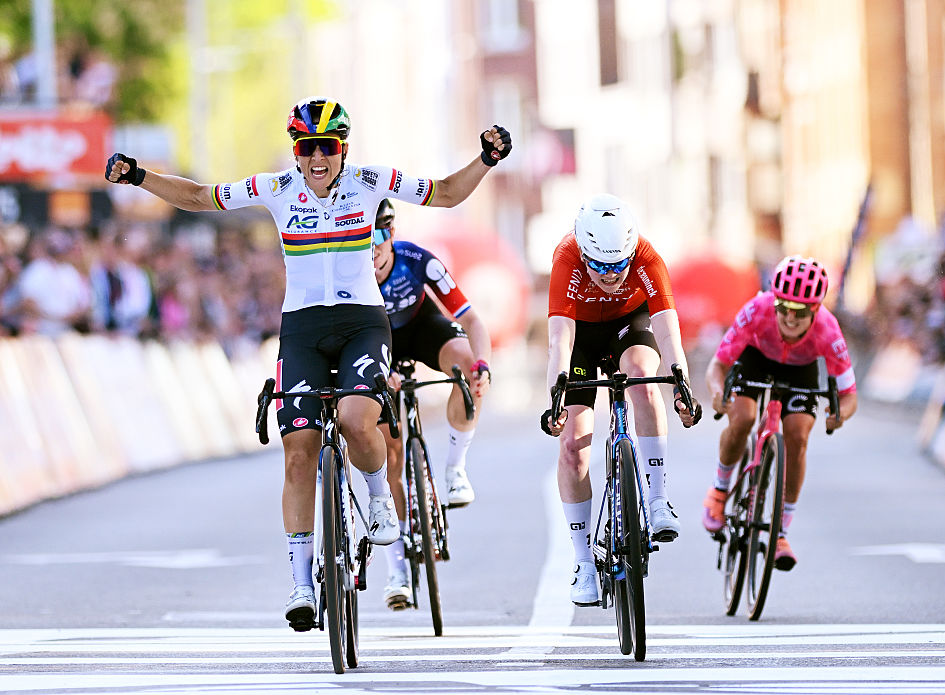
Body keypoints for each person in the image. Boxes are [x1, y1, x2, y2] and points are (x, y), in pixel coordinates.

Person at [104, 96, 512, 629]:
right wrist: (139, 177)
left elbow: (446, 193)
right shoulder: (276, 189)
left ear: (342, 149)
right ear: (297, 152)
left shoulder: (370, 181)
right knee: (298, 451)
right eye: (307, 147)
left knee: (355, 420)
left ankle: (379, 500)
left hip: (364, 323)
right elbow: (201, 197)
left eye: (328, 147)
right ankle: (301, 583)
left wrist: (486, 158)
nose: (318, 157)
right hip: (301, 330)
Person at [540, 193, 701, 606]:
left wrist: (680, 381)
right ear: (583, 250)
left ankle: (657, 499)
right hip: (580, 337)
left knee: (646, 379)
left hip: (628, 327)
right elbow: (560, 338)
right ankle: (582, 562)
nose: (610, 275)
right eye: (599, 266)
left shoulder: (647, 257)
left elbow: (667, 330)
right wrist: (555, 396)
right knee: (574, 444)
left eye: (618, 265)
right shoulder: (566, 257)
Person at [370, 198, 492, 609]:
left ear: (390, 237)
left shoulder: (417, 261)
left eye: (377, 244)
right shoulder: (348, 271)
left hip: (422, 327)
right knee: (388, 450)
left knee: (463, 366)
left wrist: (482, 365)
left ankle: (456, 470)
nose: (370, 256)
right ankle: (397, 568)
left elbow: (472, 320)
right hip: (376, 340)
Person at [702, 255, 858, 571]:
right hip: (756, 357)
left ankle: (781, 532)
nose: (789, 317)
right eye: (783, 306)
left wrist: (839, 415)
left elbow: (849, 395)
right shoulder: (757, 310)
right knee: (743, 417)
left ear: (815, 309)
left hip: (802, 370)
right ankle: (719, 491)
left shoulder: (829, 330)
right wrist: (718, 394)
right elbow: (717, 366)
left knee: (798, 436)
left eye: (799, 312)